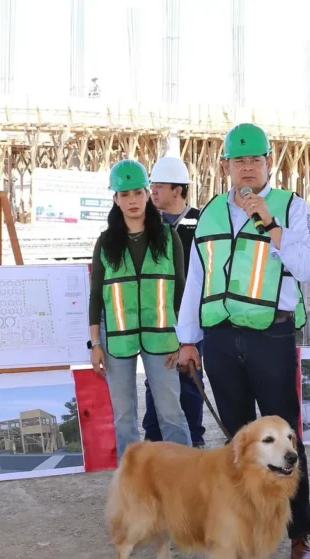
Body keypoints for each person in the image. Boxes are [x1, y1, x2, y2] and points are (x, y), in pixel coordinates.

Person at [176, 123, 310, 559]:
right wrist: (187, 341)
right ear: (226, 167)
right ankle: (241, 531)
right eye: (239, 162)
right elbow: (196, 280)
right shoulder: (211, 214)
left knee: (286, 440)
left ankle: (299, 533)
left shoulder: (291, 208)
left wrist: (271, 225)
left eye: (255, 160)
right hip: (220, 338)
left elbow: (309, 268)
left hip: (270, 337)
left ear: (269, 163)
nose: (248, 169)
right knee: (238, 443)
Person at [89, 159, 192, 458]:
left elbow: (181, 290)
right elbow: (96, 296)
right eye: (124, 194)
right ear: (115, 199)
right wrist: (96, 343)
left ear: (147, 194)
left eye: (137, 192)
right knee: (124, 419)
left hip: (162, 339)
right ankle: (131, 483)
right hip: (117, 341)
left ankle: (184, 478)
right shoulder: (106, 242)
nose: (132, 200)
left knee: (171, 413)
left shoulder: (168, 237)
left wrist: (183, 340)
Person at [141, 156, 206, 448]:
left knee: (189, 379)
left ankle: (193, 441)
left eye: (159, 186)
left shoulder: (201, 222)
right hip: (156, 318)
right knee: (154, 382)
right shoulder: (144, 224)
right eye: (152, 186)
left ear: (178, 190)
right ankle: (154, 440)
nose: (152, 191)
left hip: (191, 317)